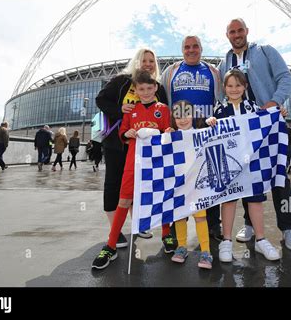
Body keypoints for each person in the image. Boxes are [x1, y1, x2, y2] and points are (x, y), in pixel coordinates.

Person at [218, 18, 291, 251]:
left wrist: (274, 102)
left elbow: (285, 78)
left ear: (247, 31)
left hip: (270, 125)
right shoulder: (225, 62)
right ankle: (250, 224)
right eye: (232, 31)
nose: (237, 34)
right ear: (227, 35)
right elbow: (223, 92)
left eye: (240, 30)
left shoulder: (265, 52)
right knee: (246, 174)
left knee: (279, 177)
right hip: (243, 130)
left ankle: (287, 228)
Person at [92, 71, 173, 269]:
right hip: (133, 162)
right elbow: (122, 132)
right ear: (135, 91)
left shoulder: (163, 110)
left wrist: (167, 133)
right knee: (124, 199)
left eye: (149, 88)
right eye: (141, 89)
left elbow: (168, 133)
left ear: (155, 88)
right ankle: (110, 245)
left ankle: (166, 234)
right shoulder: (131, 112)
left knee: (162, 195)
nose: (145, 92)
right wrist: (126, 132)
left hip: (156, 162)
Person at [207, 69, 281, 262]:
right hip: (229, 164)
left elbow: (267, 123)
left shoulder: (253, 108)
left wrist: (278, 113)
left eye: (238, 85)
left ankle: (261, 239)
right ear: (224, 88)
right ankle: (227, 241)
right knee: (229, 200)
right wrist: (211, 122)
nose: (234, 89)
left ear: (245, 87)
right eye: (230, 85)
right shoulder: (219, 109)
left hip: (252, 163)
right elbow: (211, 133)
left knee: (255, 201)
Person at [161, 35, 223, 241]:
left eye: (195, 46)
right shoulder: (171, 71)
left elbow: (221, 99)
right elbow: (162, 99)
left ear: (201, 48)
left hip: (206, 131)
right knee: (179, 178)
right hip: (180, 133)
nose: (191, 50)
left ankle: (213, 224)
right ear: (182, 50)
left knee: (210, 176)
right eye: (187, 47)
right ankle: (175, 225)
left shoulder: (213, 72)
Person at [165, 100, 213, 269]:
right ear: (173, 118)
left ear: (192, 115)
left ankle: (206, 251)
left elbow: (215, 134)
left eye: (186, 114)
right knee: (179, 216)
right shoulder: (171, 135)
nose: (183, 119)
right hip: (178, 186)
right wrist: (166, 138)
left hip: (197, 186)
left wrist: (212, 122)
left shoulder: (200, 133)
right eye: (178, 116)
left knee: (200, 217)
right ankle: (182, 247)